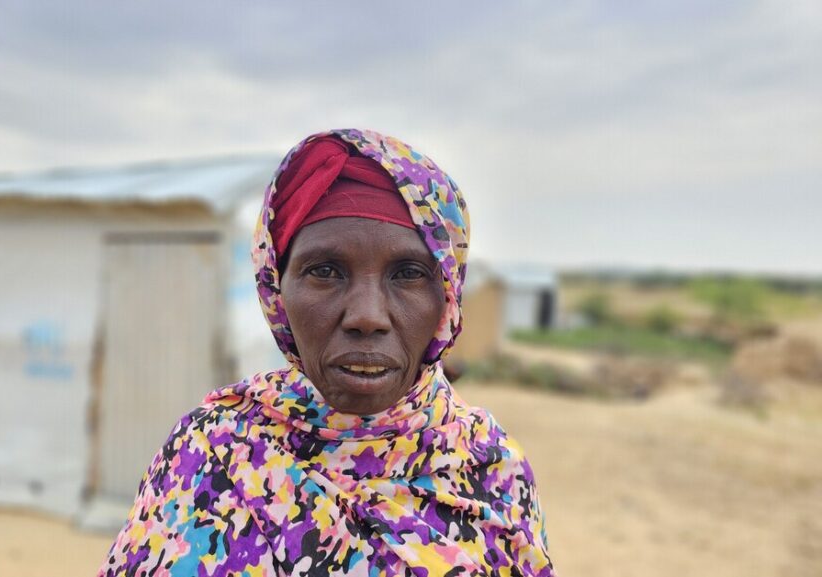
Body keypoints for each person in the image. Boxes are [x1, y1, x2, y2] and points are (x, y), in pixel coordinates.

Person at [98, 129, 555, 576]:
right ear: (276, 289)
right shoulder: (210, 452)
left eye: (409, 273)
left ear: (448, 295)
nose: (367, 317)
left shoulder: (491, 469)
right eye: (325, 271)